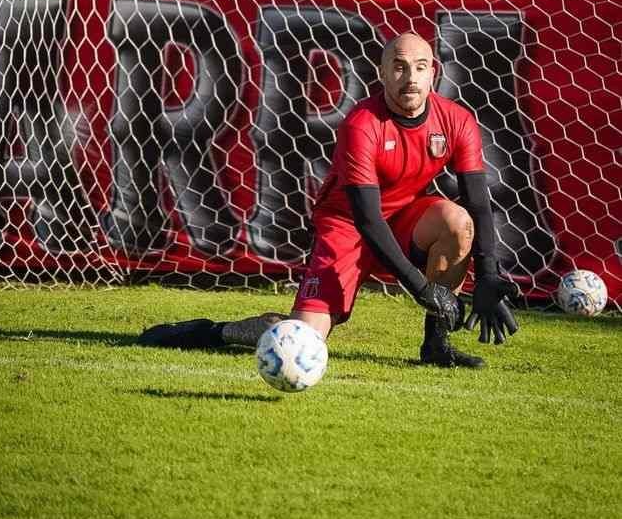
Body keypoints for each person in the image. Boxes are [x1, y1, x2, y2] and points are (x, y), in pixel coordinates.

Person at [138, 32, 519, 368]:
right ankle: (214, 331)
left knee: (456, 221)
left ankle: (436, 346)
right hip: (346, 226)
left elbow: (478, 203)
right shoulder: (362, 123)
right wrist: (422, 288)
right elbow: (367, 220)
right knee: (301, 339)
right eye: (399, 67)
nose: (411, 78)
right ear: (382, 73)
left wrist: (487, 275)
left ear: (433, 72)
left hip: (405, 218)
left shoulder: (456, 120)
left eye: (420, 67)